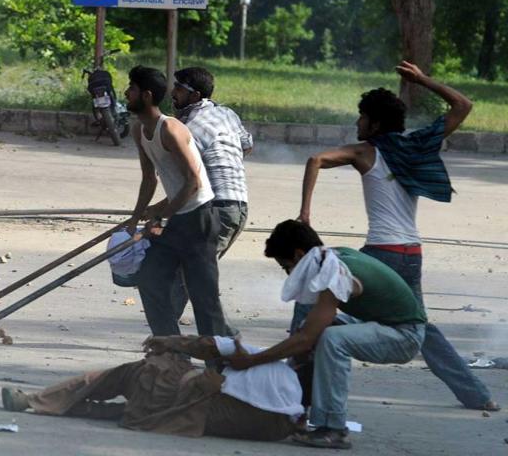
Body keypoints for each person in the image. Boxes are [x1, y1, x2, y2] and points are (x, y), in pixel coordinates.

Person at [296, 60, 499, 412]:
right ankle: (477, 395)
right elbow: (463, 105)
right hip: (411, 253)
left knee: (310, 302)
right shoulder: (416, 146)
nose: (357, 123)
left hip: (380, 254)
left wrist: (304, 214)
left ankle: (297, 393)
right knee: (417, 326)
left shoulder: (365, 152)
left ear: (374, 123)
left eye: (362, 117)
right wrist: (422, 81)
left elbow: (315, 159)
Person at [226, 219, 427, 449]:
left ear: (299, 255)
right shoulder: (330, 256)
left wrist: (251, 361)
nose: (287, 274)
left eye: (285, 266)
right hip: (385, 324)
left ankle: (334, 430)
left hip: (406, 335)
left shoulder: (334, 272)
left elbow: (304, 341)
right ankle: (297, 411)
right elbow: (307, 334)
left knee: (332, 340)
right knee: (312, 328)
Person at [0, 334, 306, 441]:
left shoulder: (276, 368)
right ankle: (73, 407)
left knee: (135, 373)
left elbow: (212, 345)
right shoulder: (288, 417)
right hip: (190, 418)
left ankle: (33, 400)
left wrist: (171, 342)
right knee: (141, 408)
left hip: (190, 398)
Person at [125, 65, 227, 338]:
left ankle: (222, 363)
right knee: (149, 279)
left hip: (199, 219)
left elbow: (193, 181)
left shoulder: (170, 128)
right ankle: (171, 350)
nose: (126, 93)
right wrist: (135, 218)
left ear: (146, 95)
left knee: (205, 301)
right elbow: (149, 179)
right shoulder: (139, 130)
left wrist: (161, 216)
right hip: (176, 218)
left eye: (131, 89)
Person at [169, 67, 252, 331]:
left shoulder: (191, 126)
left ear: (194, 96)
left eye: (179, 89)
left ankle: (169, 332)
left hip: (216, 208)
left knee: (189, 274)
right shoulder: (227, 113)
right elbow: (247, 145)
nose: (173, 94)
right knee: (194, 273)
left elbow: (186, 172)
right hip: (238, 206)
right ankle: (169, 330)